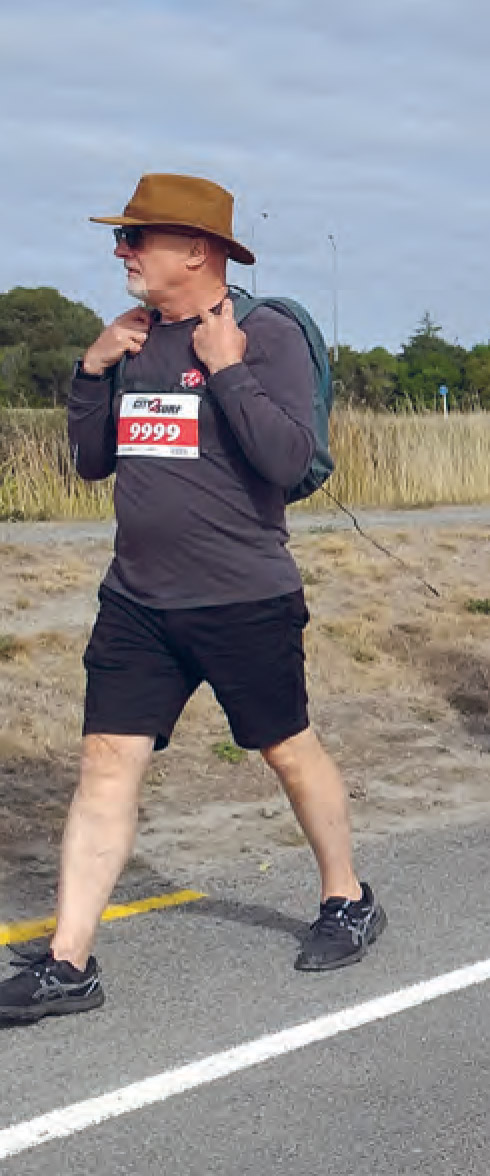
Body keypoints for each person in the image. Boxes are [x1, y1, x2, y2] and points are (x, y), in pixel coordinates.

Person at [0, 174, 383, 1024]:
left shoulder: (263, 333)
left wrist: (230, 372)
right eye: (124, 239)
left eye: (136, 239)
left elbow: (289, 461)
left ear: (197, 251)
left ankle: (347, 897)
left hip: (244, 598)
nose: (121, 252)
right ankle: (70, 963)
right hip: (138, 601)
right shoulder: (133, 340)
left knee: (287, 749)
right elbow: (93, 461)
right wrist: (92, 370)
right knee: (105, 760)